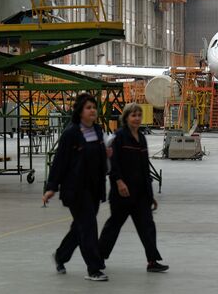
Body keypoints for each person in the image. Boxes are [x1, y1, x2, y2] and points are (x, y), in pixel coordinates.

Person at [42, 93, 109, 282]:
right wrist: (51, 187)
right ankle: (94, 268)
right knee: (88, 226)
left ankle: (61, 256)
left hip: (94, 188)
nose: (92, 110)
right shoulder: (71, 133)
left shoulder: (97, 130)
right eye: (88, 107)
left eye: (94, 107)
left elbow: (99, 158)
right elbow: (60, 162)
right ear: (80, 111)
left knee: (80, 227)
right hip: (75, 189)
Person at [99, 103, 169, 273]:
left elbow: (145, 168)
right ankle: (98, 258)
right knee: (113, 226)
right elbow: (113, 164)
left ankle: (152, 261)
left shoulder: (142, 138)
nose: (137, 118)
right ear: (126, 117)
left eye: (139, 115)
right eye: (133, 115)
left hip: (140, 194)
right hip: (122, 193)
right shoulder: (119, 137)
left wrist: (150, 194)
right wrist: (119, 182)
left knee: (147, 226)